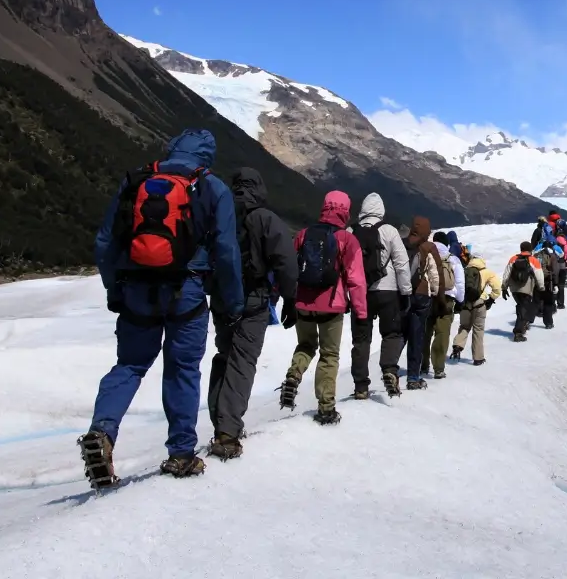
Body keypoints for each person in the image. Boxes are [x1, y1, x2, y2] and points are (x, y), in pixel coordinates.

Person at [81, 128, 242, 488]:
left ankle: (102, 432)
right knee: (182, 369)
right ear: (207, 157)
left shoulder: (137, 180)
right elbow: (228, 253)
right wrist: (231, 303)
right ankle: (182, 454)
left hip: (136, 289)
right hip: (187, 290)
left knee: (129, 365)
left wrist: (114, 288)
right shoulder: (212, 188)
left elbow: (105, 242)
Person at [207, 167, 298, 460]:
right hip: (254, 299)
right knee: (242, 362)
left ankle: (220, 421)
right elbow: (285, 261)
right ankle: (228, 432)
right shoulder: (265, 218)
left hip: (222, 298)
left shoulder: (220, 214)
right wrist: (291, 298)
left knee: (224, 355)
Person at [277, 191, 368, 425]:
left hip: (303, 303)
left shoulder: (304, 234)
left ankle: (293, 376)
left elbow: (288, 265)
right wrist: (361, 312)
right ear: (345, 211)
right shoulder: (347, 240)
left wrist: (286, 296)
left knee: (305, 345)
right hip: (331, 306)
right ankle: (326, 408)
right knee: (329, 355)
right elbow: (356, 279)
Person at [348, 193, 412, 399]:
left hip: (360, 292)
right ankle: (389, 370)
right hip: (387, 291)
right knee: (392, 333)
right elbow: (402, 264)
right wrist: (406, 292)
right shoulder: (389, 230)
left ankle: (360, 386)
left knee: (361, 340)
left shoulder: (351, 231)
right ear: (381, 210)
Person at [403, 216, 439, 390]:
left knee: (400, 333)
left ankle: (390, 368)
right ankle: (413, 377)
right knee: (417, 336)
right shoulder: (429, 247)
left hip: (402, 294)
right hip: (422, 295)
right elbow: (435, 275)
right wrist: (437, 295)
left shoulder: (402, 243)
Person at [451, 244, 502, 365]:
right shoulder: (487, 272)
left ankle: (458, 345)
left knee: (464, 326)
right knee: (478, 330)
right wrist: (490, 300)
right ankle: (478, 358)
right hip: (479, 304)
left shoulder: (464, 270)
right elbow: (497, 289)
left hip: (465, 304)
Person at [425, 231, 464, 379]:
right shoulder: (452, 258)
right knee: (442, 333)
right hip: (447, 298)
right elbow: (460, 282)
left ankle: (423, 365)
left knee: (425, 331)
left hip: (428, 297)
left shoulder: (425, 253)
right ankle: (438, 368)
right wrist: (460, 300)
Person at [501, 241, 544, 342]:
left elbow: (506, 274)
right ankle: (518, 332)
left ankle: (522, 327)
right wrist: (541, 287)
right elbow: (539, 275)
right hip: (527, 288)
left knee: (521, 307)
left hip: (514, 289)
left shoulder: (513, 259)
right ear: (530, 249)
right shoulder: (533, 260)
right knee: (523, 309)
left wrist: (504, 287)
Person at [534, 241, 560, 329]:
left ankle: (527, 320)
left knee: (535, 301)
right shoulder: (551, 255)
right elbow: (555, 271)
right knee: (548, 302)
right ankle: (548, 323)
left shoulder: (536, 255)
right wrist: (556, 283)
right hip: (548, 280)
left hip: (536, 280)